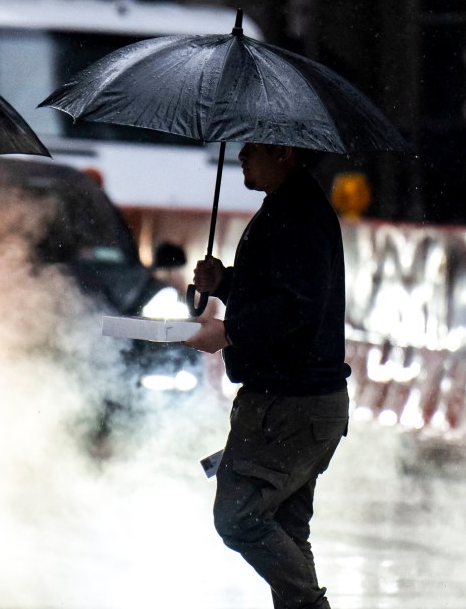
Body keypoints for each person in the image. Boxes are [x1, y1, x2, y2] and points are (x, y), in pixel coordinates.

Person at [184, 142, 350, 609]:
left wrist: (229, 331)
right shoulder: (288, 206)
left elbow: (297, 306)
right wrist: (227, 285)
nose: (239, 155)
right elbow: (284, 291)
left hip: (290, 404)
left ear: (282, 152)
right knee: (288, 528)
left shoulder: (297, 214)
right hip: (304, 401)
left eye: (251, 148)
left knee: (238, 517)